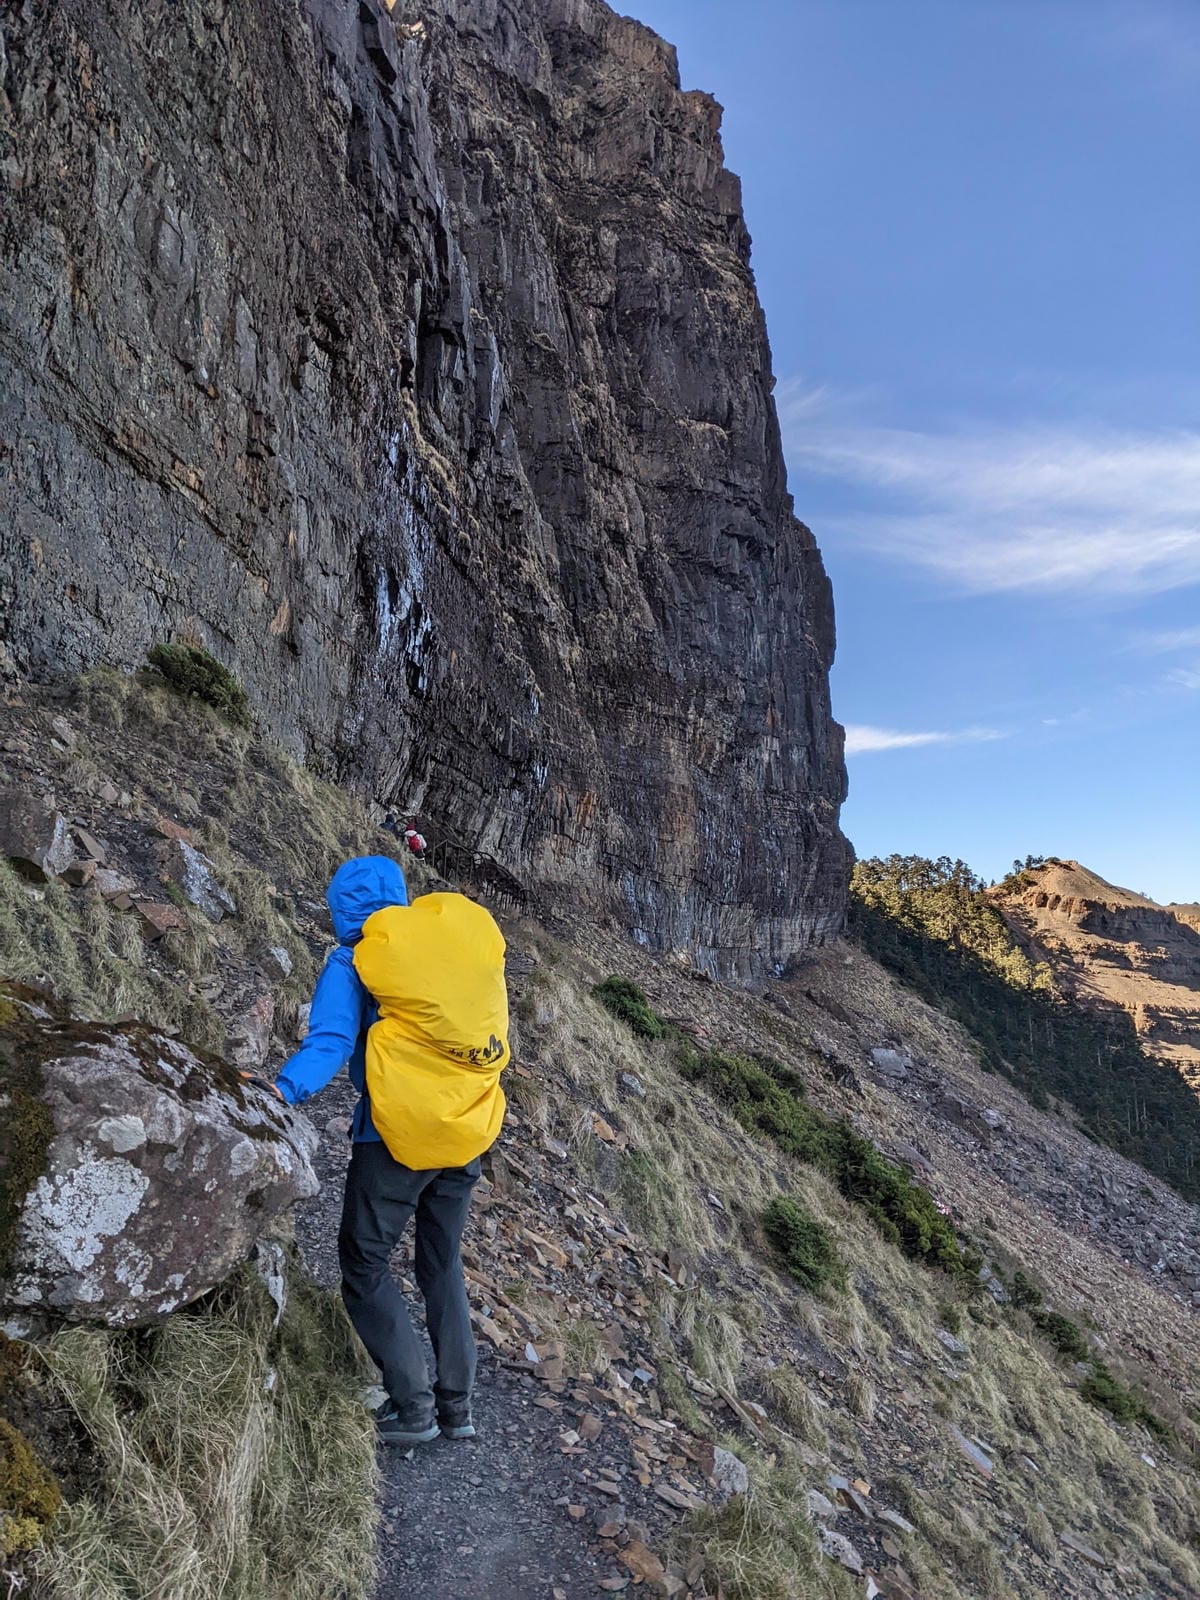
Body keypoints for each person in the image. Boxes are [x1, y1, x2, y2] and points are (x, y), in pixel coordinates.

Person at [273, 855, 509, 1448]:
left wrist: (280, 1090)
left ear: (341, 911)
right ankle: (458, 1409)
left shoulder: (356, 959)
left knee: (364, 1262)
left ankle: (413, 1407)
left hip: (396, 1138)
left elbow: (330, 1042)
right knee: (441, 1261)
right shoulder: (448, 954)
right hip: (465, 1132)